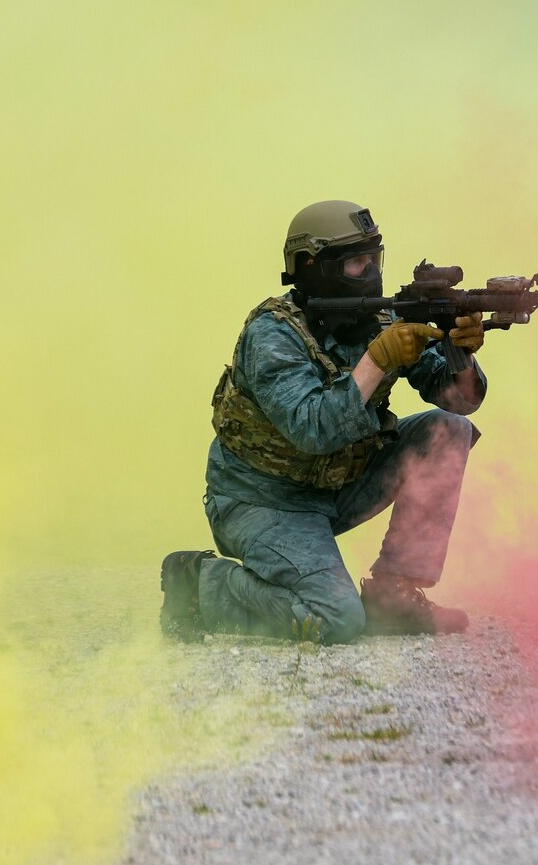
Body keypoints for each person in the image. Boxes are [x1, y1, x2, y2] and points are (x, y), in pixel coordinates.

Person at [160, 199, 485, 642]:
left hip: (335, 488)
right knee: (336, 618)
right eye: (355, 262)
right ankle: (200, 584)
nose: (370, 271)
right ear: (312, 266)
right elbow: (312, 429)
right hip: (262, 502)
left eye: (374, 258)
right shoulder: (272, 334)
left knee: (450, 431)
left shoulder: (380, 319)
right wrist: (377, 360)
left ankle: (394, 593)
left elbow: (459, 401)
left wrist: (457, 348)